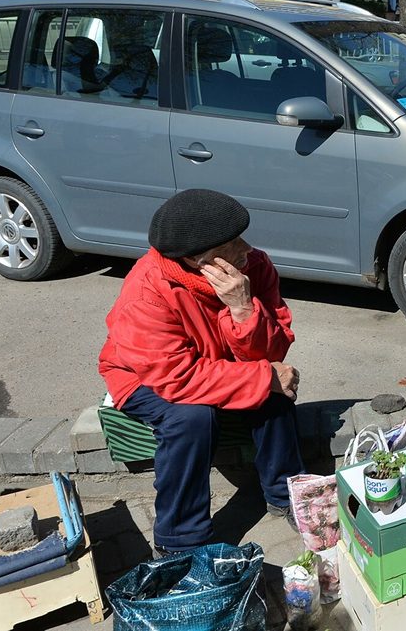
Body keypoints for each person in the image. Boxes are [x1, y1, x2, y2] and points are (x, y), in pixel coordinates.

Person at [99, 189, 305, 556]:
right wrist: (262, 378)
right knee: (192, 417)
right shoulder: (146, 293)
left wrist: (243, 310)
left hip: (213, 365)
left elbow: (274, 351)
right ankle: (180, 539)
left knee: (272, 396)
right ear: (201, 260)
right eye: (233, 242)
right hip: (144, 375)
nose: (247, 247)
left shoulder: (252, 266)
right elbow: (176, 378)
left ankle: (286, 494)